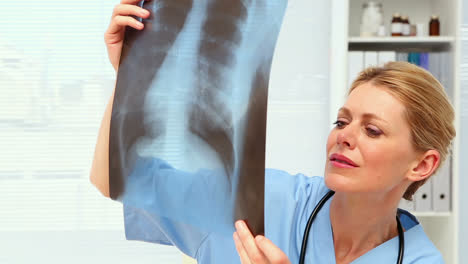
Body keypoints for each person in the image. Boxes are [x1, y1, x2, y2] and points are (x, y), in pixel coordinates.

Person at [91, 0, 455, 263]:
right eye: (342, 122)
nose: (344, 136)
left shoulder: (420, 260)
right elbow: (116, 181)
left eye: (372, 130)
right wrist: (131, 74)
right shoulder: (261, 201)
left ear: (422, 166)